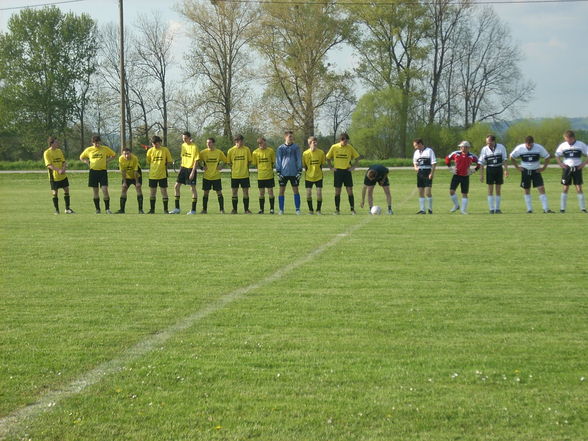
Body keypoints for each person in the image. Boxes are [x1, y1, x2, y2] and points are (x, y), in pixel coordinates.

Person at [509, 135, 554, 213]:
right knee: (526, 189)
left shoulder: (539, 148)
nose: (529, 146)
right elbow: (511, 157)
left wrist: (543, 168)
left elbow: (547, 157)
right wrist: (517, 167)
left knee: (541, 188)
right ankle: (529, 209)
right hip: (525, 171)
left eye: (531, 145)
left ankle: (546, 209)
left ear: (533, 143)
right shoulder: (520, 148)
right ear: (525, 143)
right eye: (528, 145)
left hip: (536, 171)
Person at [80, 135, 116, 214]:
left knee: (104, 190)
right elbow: (81, 157)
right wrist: (87, 162)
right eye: (95, 143)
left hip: (102, 172)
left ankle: (107, 209)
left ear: (100, 142)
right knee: (95, 191)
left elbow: (113, 155)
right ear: (92, 143)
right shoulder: (89, 150)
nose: (96, 144)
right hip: (93, 172)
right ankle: (97, 209)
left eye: (98, 142)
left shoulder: (105, 149)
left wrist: (107, 161)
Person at [554, 130, 588, 213]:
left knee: (579, 188)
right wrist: (561, 164)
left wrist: (583, 164)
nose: (567, 141)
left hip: (577, 168)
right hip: (567, 168)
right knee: (565, 188)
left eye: (568, 139)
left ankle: (583, 208)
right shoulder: (563, 145)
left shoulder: (581, 144)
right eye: (565, 139)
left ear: (572, 138)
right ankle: (562, 209)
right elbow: (557, 155)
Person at [326, 133, 360, 215]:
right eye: (344, 141)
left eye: (347, 141)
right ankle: (337, 210)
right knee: (337, 191)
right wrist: (331, 167)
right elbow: (327, 157)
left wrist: (353, 167)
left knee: (350, 191)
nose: (346, 143)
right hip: (338, 172)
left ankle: (352, 209)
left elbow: (357, 157)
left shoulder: (349, 147)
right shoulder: (334, 147)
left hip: (347, 171)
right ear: (340, 140)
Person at [445, 141, 480, 214]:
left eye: (464, 147)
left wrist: (473, 170)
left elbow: (479, 163)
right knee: (451, 191)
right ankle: (456, 205)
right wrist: (451, 169)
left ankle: (463, 210)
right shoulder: (456, 153)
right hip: (456, 175)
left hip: (465, 176)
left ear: (468, 148)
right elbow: (447, 159)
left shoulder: (472, 156)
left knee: (464, 193)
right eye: (461, 147)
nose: (462, 148)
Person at [170, 131, 199, 215]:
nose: (184, 140)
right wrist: (180, 169)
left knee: (192, 189)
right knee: (176, 187)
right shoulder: (183, 145)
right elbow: (183, 158)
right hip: (183, 168)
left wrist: (193, 172)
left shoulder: (194, 147)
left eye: (185, 138)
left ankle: (193, 210)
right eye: (183, 138)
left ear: (190, 138)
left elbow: (196, 160)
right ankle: (177, 208)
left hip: (190, 169)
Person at [478, 135, 509, 214]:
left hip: (499, 168)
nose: (488, 144)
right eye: (487, 143)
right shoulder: (484, 149)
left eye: (489, 142)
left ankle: (497, 209)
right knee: (490, 190)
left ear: (493, 141)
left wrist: (506, 170)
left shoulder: (501, 147)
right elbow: (481, 163)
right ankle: (491, 209)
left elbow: (505, 159)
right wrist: (481, 175)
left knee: (498, 190)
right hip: (490, 169)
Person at [43, 136, 74, 214]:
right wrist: (58, 170)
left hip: (62, 175)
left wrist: (63, 169)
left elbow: (63, 161)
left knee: (66, 189)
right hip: (54, 176)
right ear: (51, 143)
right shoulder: (47, 152)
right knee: (55, 192)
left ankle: (67, 209)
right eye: (56, 142)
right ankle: (56, 210)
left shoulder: (59, 151)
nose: (58, 143)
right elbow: (49, 165)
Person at [275, 130, 303, 215]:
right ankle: (281, 210)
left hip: (294, 173)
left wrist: (299, 171)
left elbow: (298, 159)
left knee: (296, 190)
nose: (291, 138)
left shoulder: (296, 147)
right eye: (289, 136)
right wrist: (278, 171)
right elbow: (278, 160)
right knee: (281, 191)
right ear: (285, 137)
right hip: (283, 173)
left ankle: (297, 209)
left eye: (292, 136)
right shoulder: (280, 148)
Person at [145, 135, 173, 214]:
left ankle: (165, 210)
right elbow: (148, 161)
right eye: (153, 143)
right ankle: (152, 210)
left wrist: (165, 166)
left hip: (162, 175)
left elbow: (169, 161)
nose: (155, 145)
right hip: (152, 175)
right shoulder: (150, 151)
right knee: (152, 192)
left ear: (160, 142)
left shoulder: (165, 150)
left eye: (156, 143)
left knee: (164, 192)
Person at [199, 137, 226, 214]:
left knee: (219, 192)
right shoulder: (203, 152)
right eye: (207, 143)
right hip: (206, 176)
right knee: (206, 193)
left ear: (213, 143)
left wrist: (221, 166)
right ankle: (204, 210)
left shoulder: (219, 152)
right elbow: (197, 160)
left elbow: (226, 160)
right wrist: (201, 167)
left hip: (216, 176)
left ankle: (222, 209)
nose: (208, 144)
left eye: (210, 142)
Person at [226, 134, 253, 214]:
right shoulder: (230, 151)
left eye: (242, 141)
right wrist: (235, 169)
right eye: (238, 141)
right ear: (236, 141)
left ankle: (246, 210)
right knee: (234, 192)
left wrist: (244, 168)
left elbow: (249, 161)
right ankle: (234, 209)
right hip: (235, 175)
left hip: (245, 175)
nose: (240, 143)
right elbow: (229, 162)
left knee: (246, 192)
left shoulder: (246, 149)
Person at [302, 136, 326, 215]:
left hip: (318, 176)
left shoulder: (321, 152)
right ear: (309, 144)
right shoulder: (305, 153)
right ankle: (311, 210)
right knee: (308, 193)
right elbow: (305, 165)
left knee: (319, 193)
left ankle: (318, 210)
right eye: (313, 142)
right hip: (309, 177)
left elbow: (322, 164)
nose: (315, 144)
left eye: (316, 142)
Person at [252, 137, 276, 214]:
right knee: (261, 193)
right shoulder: (255, 152)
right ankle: (261, 209)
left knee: (270, 192)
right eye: (259, 143)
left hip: (269, 175)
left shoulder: (271, 151)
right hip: (261, 176)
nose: (261, 144)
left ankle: (272, 209)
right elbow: (255, 164)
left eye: (262, 143)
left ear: (265, 142)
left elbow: (272, 162)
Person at [412, 138, 436, 214]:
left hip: (427, 172)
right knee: (420, 191)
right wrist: (415, 167)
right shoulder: (416, 152)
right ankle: (422, 210)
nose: (414, 147)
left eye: (415, 145)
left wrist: (431, 173)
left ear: (420, 144)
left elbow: (434, 163)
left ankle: (430, 209)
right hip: (420, 173)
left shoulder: (429, 151)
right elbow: (415, 162)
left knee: (428, 192)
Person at [116, 147, 143, 214]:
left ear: (131, 153)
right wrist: (124, 182)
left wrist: (137, 182)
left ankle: (140, 210)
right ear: (122, 154)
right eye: (125, 154)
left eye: (128, 154)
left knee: (138, 189)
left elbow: (135, 171)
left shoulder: (134, 158)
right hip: (127, 176)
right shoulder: (121, 159)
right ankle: (122, 210)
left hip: (136, 176)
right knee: (123, 189)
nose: (126, 156)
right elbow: (123, 171)